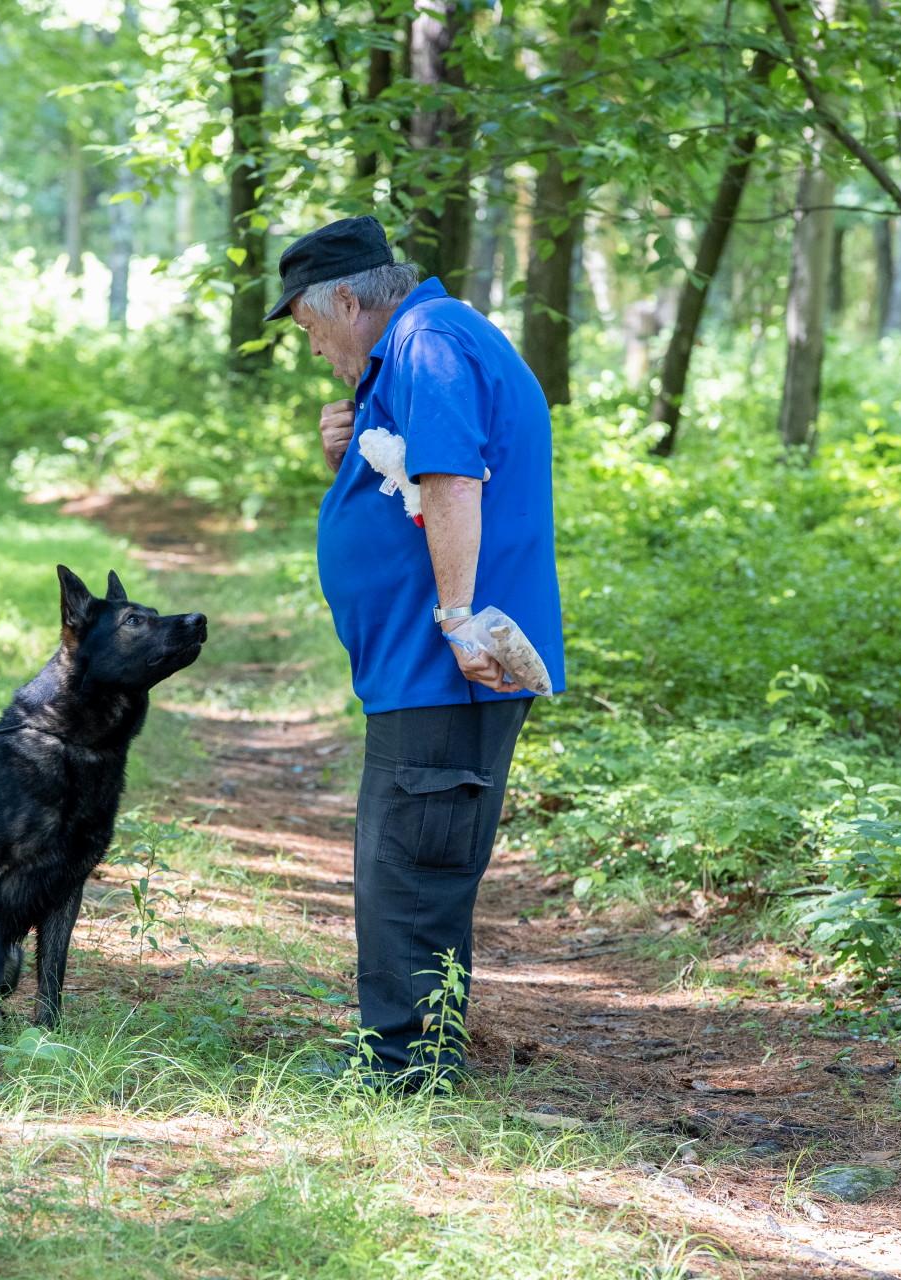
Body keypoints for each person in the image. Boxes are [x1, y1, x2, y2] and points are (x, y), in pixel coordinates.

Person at [264, 215, 566, 1088]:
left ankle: (405, 1068)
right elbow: (406, 483)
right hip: (418, 668)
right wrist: (350, 447)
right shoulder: (412, 350)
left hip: (448, 665)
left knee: (413, 862)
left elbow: (453, 479)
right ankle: (407, 1053)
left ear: (350, 301)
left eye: (312, 329)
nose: (316, 350)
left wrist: (460, 616)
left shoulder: (429, 341)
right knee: (403, 855)